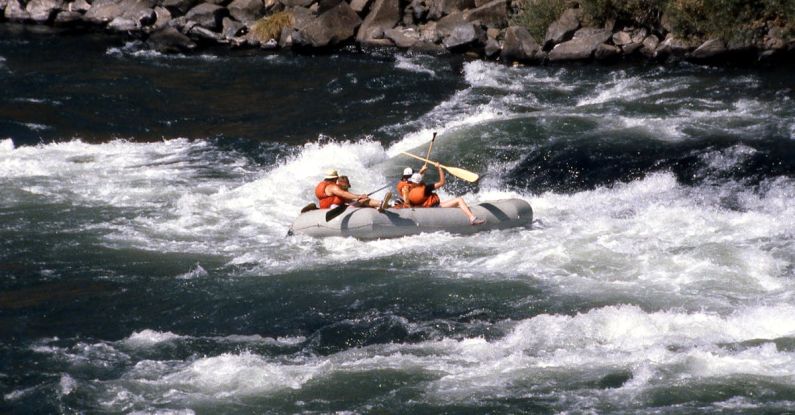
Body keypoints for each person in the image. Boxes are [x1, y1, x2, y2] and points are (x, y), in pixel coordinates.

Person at [403, 163, 485, 225]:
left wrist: (421, 172)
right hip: (435, 208)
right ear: (420, 181)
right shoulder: (426, 189)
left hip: (425, 208)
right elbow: (442, 182)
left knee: (444, 202)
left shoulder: (409, 190)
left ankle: (467, 213)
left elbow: (417, 182)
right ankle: (472, 218)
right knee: (459, 200)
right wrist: (439, 168)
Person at [315, 169, 391, 212]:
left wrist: (358, 196)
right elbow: (343, 194)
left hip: (327, 209)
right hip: (334, 210)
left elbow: (344, 196)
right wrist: (359, 197)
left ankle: (380, 206)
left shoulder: (320, 186)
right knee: (363, 200)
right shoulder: (332, 187)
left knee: (361, 200)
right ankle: (380, 204)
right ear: (335, 178)